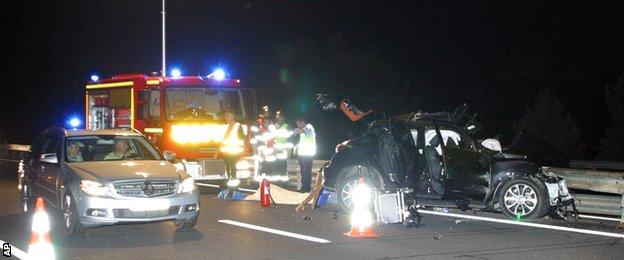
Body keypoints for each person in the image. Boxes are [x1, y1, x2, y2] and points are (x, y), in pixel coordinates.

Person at [220, 109, 246, 180]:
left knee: (233, 171)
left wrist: (243, 154)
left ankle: (234, 187)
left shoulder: (238, 127)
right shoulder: (226, 127)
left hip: (235, 154)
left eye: (227, 116)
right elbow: (223, 140)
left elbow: (243, 140)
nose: (225, 118)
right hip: (226, 154)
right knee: (228, 171)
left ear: (232, 117)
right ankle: (229, 184)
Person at [293, 117, 316, 192]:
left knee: (306, 172)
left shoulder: (309, 127)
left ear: (302, 122)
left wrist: (298, 131)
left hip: (308, 155)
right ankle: (303, 188)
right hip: (302, 155)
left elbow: (305, 131)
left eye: (298, 123)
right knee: (303, 173)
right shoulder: (302, 131)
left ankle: (306, 189)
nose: (297, 125)